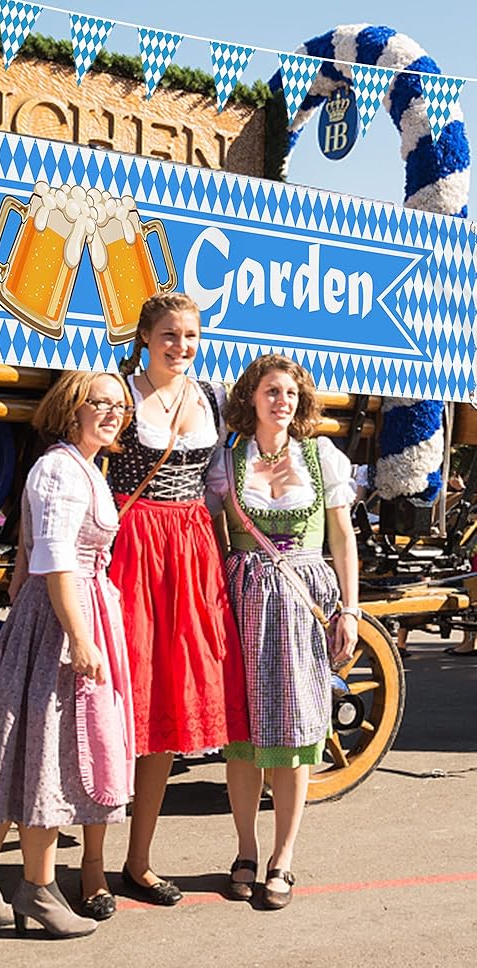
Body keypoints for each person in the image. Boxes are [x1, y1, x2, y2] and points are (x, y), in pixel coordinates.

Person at [0, 371, 136, 938]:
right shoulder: (59, 469)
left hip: (75, 607)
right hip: (59, 618)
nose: (114, 413)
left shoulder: (83, 466)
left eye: (121, 406)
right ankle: (38, 889)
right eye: (101, 403)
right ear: (72, 407)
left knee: (26, 754)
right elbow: (56, 560)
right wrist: (79, 636)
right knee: (47, 755)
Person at [95, 292, 249, 907]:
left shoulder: (211, 396)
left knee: (166, 704)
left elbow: (224, 479)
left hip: (190, 547)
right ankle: (91, 867)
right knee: (114, 705)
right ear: (144, 337)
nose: (181, 346)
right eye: (169, 334)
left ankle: (139, 861)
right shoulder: (120, 394)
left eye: (190, 335)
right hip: (132, 544)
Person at [206, 353, 359, 909]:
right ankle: (246, 850)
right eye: (272, 391)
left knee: (296, 734)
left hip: (301, 607)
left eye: (291, 393)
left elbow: (342, 539)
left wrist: (350, 610)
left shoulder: (321, 457)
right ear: (252, 396)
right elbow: (209, 534)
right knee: (244, 738)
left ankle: (283, 857)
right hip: (244, 602)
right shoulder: (227, 461)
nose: (282, 401)